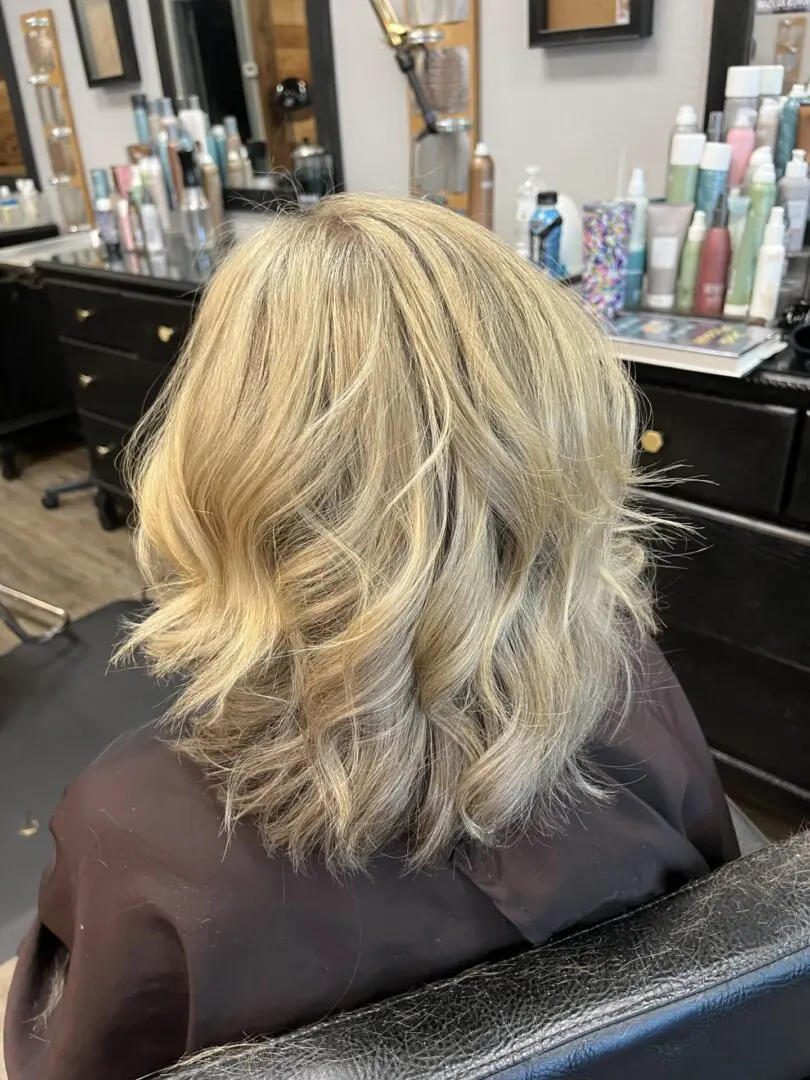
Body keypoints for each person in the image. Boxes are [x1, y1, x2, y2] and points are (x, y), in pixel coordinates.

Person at [5, 195, 738, 1080]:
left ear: (221, 470)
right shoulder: (634, 690)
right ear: (567, 454)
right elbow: (718, 941)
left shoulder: (134, 829)